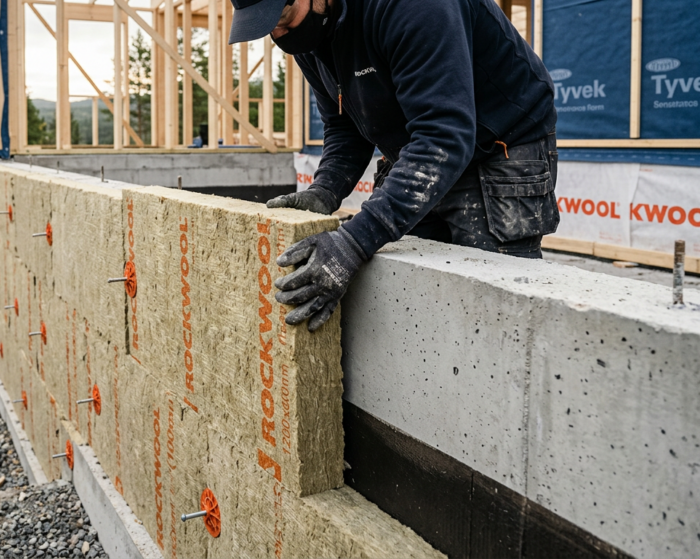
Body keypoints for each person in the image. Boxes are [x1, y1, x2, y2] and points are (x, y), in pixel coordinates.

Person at [229, 0, 560, 331]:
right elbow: (345, 126)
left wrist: (352, 243)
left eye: (282, 17)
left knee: (492, 316)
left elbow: (443, 137)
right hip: (420, 150)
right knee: (416, 306)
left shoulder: (412, 6)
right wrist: (325, 191)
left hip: (498, 144)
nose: (278, 32)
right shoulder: (311, 33)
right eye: (266, 26)